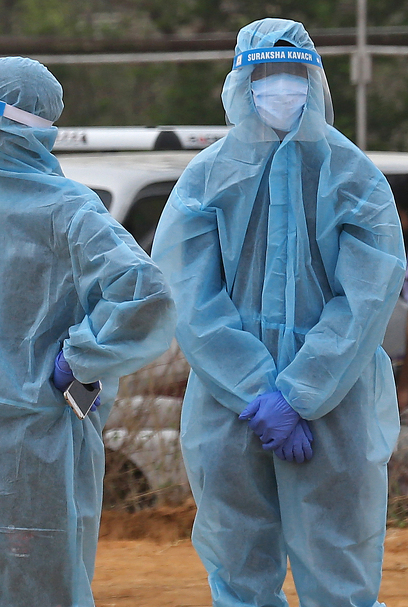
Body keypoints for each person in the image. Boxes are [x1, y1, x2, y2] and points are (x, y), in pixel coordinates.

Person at [151, 19, 405, 607]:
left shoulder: (355, 178)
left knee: (339, 576)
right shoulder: (206, 176)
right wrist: (254, 387)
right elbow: (187, 294)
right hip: (230, 410)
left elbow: (367, 297)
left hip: (334, 409)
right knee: (240, 573)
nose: (280, 88)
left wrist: (300, 392)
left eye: (292, 75)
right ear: (242, 82)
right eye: (265, 74)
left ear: (314, 81)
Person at [0, 57, 176, 607]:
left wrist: (83, 359)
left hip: (32, 432)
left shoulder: (67, 209)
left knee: (32, 586)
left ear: (7, 121)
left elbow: (146, 293)